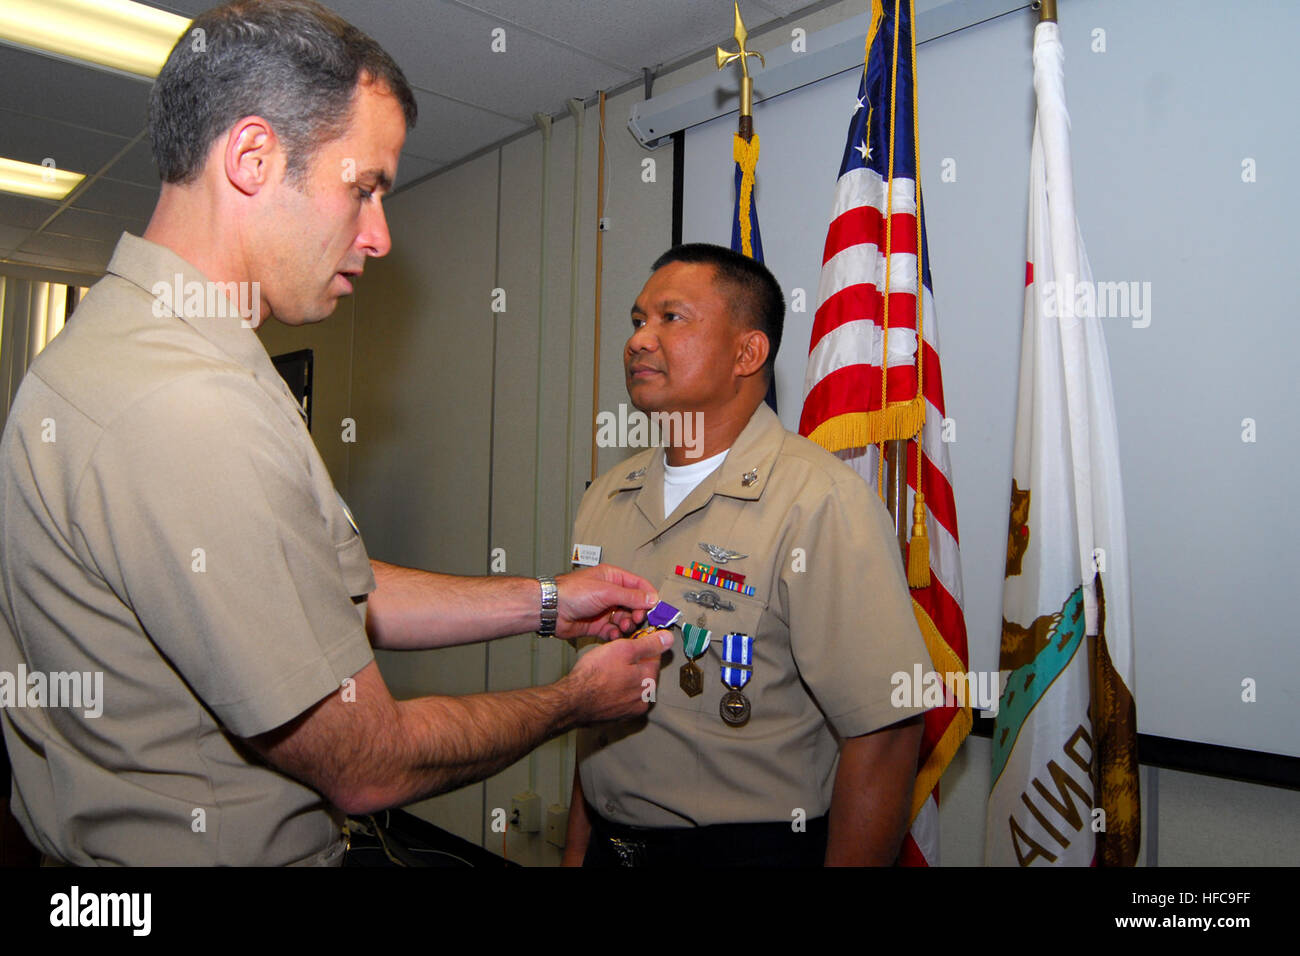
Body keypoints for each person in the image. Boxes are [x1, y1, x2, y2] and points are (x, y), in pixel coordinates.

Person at [0, 0, 669, 866]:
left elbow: (324, 590)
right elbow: (366, 762)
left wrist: (547, 602)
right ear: (251, 158)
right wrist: (574, 703)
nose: (381, 235)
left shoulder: (158, 349)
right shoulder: (184, 403)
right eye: (364, 188)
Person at [562, 244, 932, 866]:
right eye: (636, 321)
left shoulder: (819, 501)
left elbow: (887, 733)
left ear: (747, 352)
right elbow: (599, 716)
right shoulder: (607, 494)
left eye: (670, 318)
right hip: (610, 842)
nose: (639, 341)